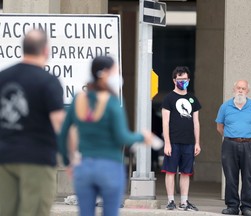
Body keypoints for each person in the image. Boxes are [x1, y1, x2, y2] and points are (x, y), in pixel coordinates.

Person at [58, 56, 152, 216]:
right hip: (110, 168)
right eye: (115, 71)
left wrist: (68, 162)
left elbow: (62, 134)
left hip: (84, 167)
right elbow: (122, 137)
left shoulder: (79, 99)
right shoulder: (113, 102)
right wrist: (142, 137)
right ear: (105, 73)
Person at [0, 30, 64, 216]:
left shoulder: (3, 77)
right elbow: (58, 122)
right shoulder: (48, 81)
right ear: (46, 50)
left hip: (4, 158)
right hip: (37, 159)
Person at [215, 80, 251, 216]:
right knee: (231, 177)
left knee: (248, 176)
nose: (240, 90)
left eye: (243, 88)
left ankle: (247, 207)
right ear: (233, 89)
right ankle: (232, 206)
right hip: (230, 145)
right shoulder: (225, 107)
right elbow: (220, 127)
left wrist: (248, 136)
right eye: (238, 88)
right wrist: (233, 136)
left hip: (250, 145)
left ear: (247, 91)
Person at [161, 66, 201, 211]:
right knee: (170, 171)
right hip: (173, 142)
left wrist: (197, 142)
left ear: (188, 80)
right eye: (179, 79)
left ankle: (184, 202)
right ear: (174, 80)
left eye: (184, 79)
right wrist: (167, 143)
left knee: (186, 172)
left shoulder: (192, 99)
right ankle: (170, 200)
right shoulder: (168, 98)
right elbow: (165, 122)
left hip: (189, 142)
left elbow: (196, 122)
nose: (182, 82)